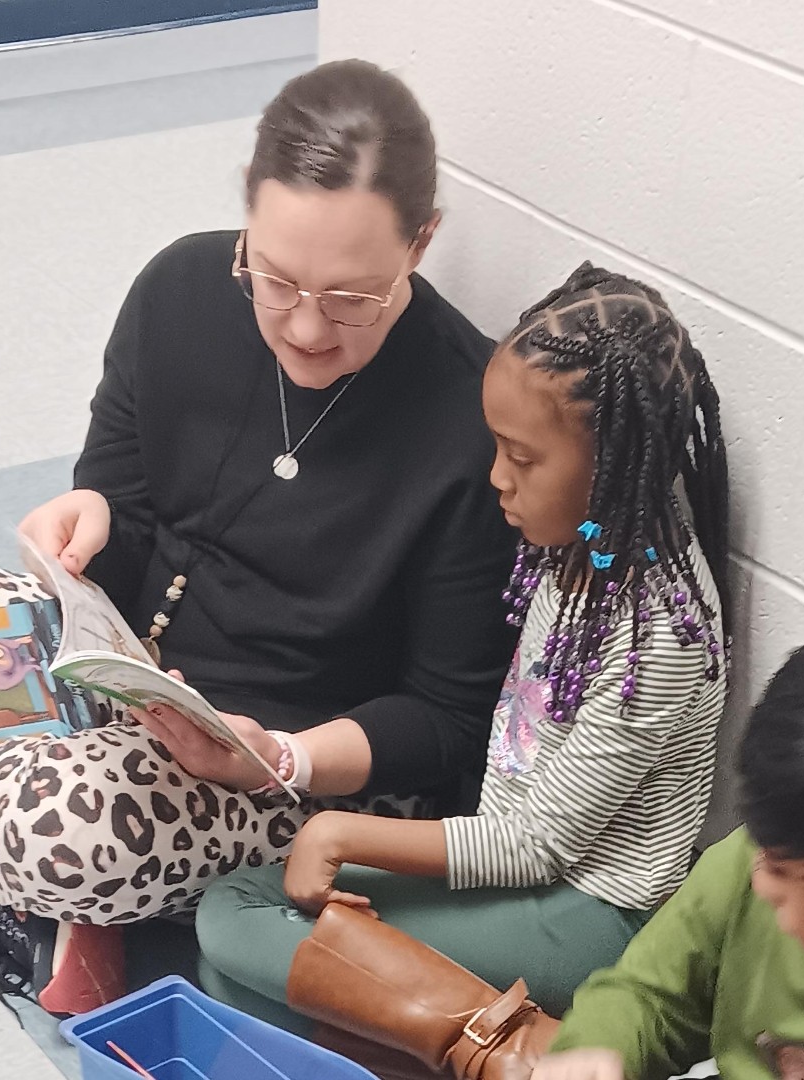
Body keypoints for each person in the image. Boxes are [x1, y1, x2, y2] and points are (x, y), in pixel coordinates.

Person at [0, 59, 517, 1016]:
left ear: (423, 241)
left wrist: (281, 757)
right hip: (117, 671)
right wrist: (90, 523)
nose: (308, 327)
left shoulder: (469, 415)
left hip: (288, 766)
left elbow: (446, 719)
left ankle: (13, 868)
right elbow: (123, 500)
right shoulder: (182, 288)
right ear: (246, 214)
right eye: (275, 279)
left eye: (352, 296)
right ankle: (13, 896)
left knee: (42, 815)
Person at [194, 261, 731, 1030]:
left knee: (240, 929)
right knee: (235, 939)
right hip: (515, 872)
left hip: (589, 918)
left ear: (612, 467)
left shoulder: (662, 634)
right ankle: (444, 1044)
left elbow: (537, 846)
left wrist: (337, 829)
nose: (497, 480)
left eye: (523, 458)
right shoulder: (581, 545)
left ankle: (484, 1044)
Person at [533, 621, 804, 1080]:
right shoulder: (740, 862)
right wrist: (600, 1050)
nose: (794, 920)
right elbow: (650, 995)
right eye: (775, 869)